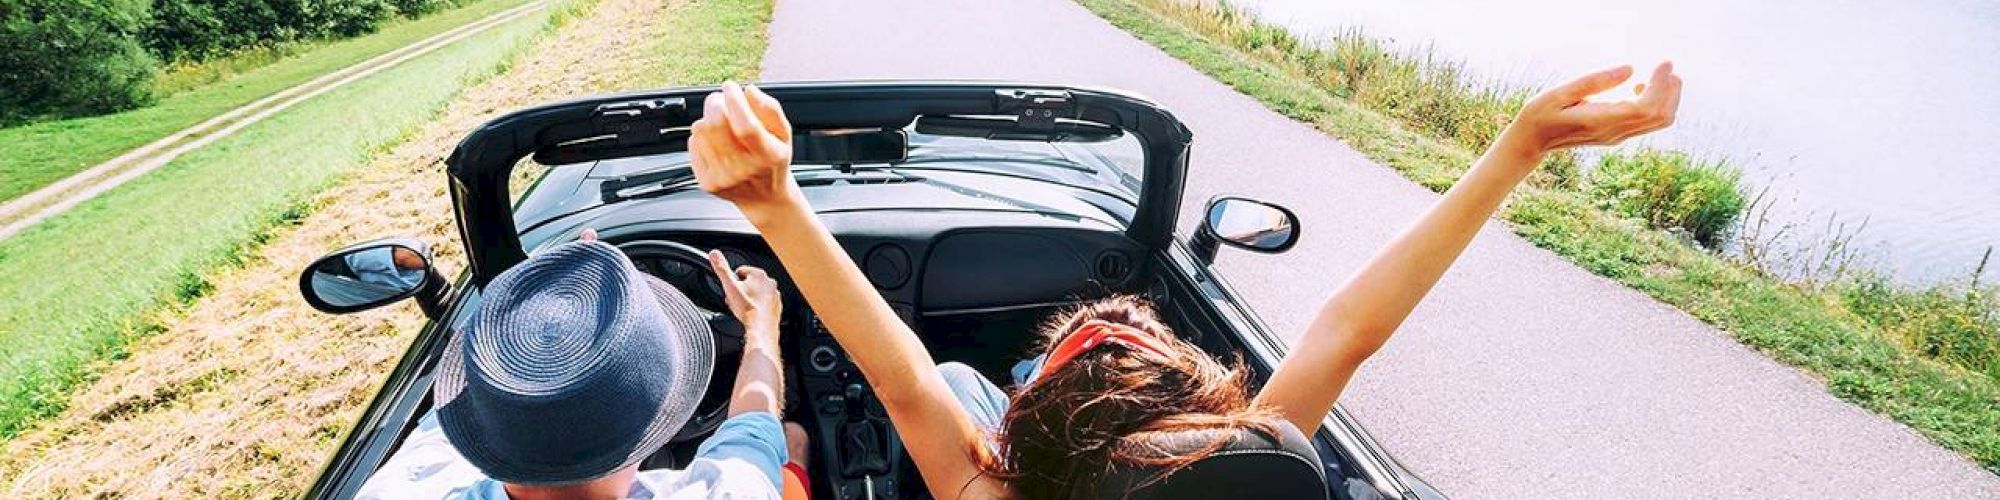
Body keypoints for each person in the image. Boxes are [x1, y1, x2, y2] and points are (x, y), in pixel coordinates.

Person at [687, 62, 1680, 499]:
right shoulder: (1257, 465)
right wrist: (1518, 146)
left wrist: (776, 203)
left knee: (951, 378)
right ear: (1214, 420)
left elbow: (903, 374)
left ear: (1021, 447)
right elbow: (1347, 330)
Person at [357, 232, 813, 500]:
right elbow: (755, 424)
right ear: (658, 419)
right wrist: (760, 324)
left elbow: (456, 401)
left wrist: (533, 310)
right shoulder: (730, 490)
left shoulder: (404, 485)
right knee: (793, 439)